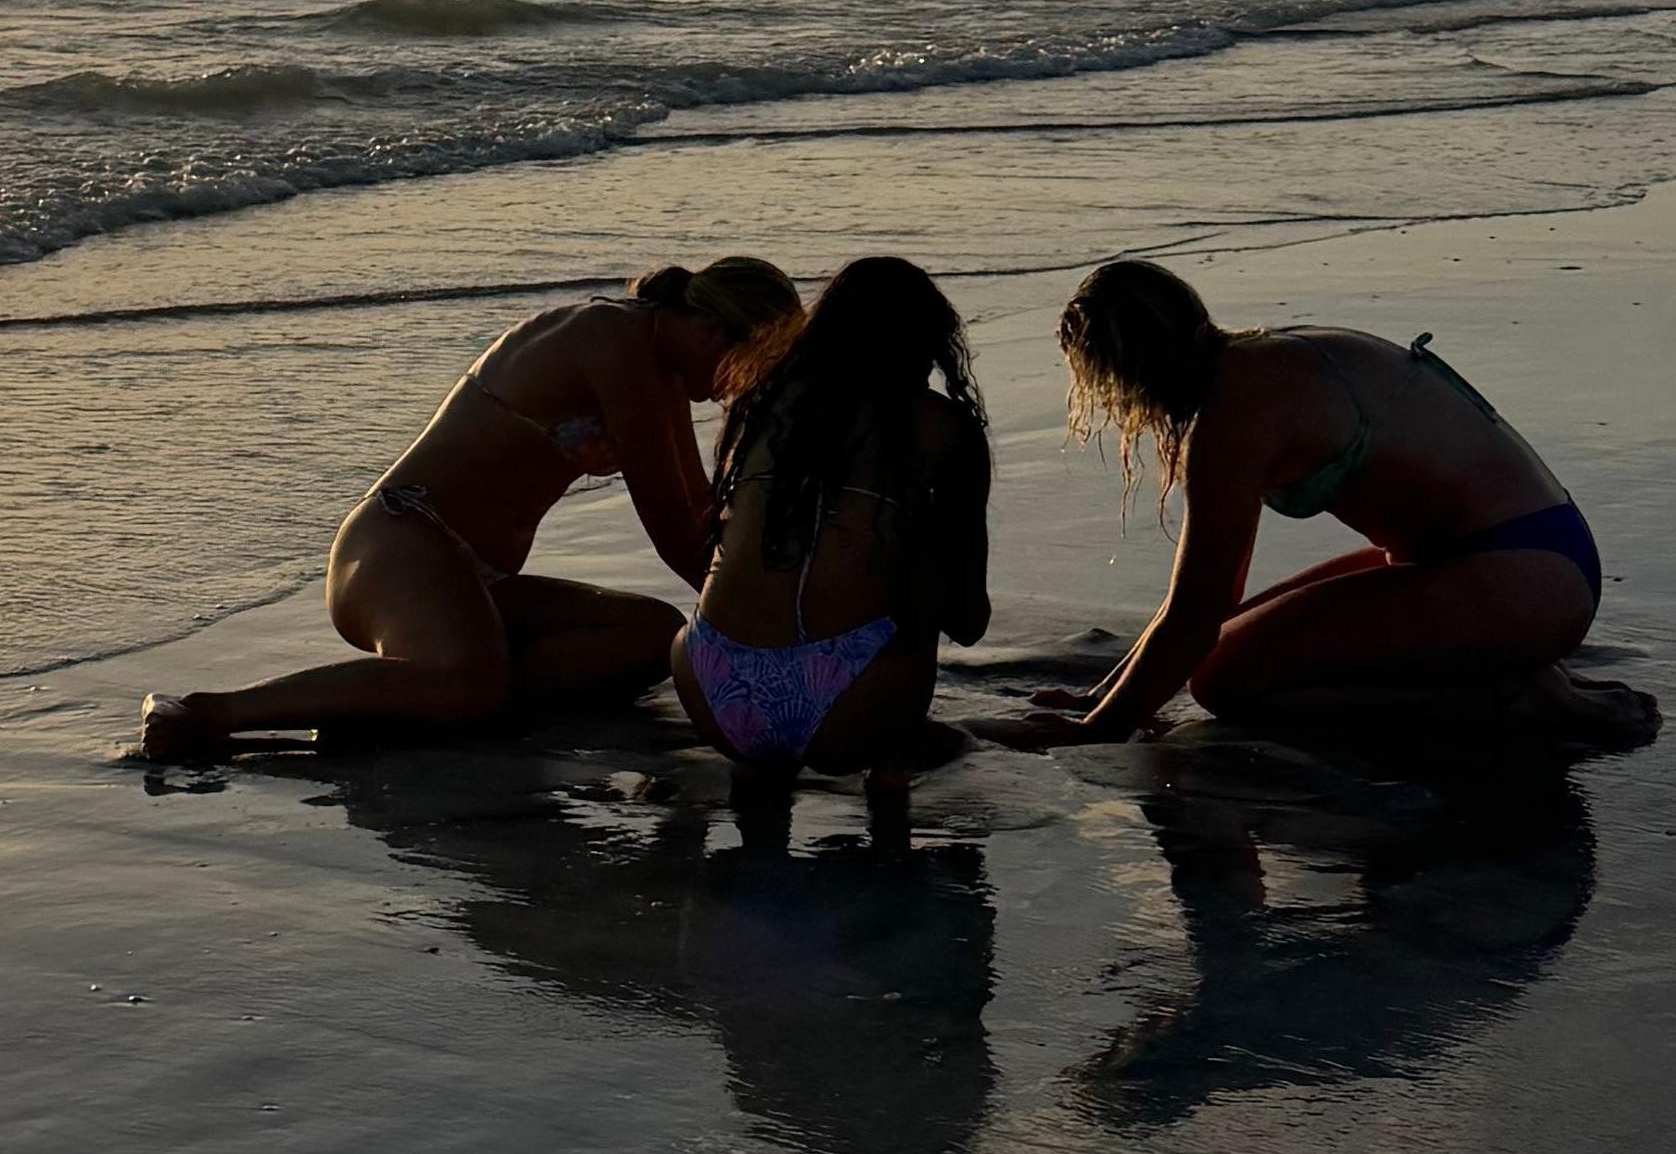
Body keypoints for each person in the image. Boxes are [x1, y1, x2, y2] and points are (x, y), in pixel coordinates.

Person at [138, 255, 800, 761]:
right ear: (714, 332)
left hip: (476, 580)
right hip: (400, 543)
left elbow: (698, 511)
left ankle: (394, 701)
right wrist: (777, 649)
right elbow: (676, 536)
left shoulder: (653, 360)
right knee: (470, 687)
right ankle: (203, 711)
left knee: (654, 636)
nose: (733, 394)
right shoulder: (620, 344)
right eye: (748, 368)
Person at [1027, 256, 1603, 735]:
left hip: (1515, 582)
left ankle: (1508, 700)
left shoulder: (1235, 416)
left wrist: (1100, 730)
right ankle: (1504, 668)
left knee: (1221, 681)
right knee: (1223, 643)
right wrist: (1100, 697)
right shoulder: (1268, 354)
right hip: (1542, 558)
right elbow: (1206, 606)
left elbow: (1194, 615)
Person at [667, 251, 991, 796]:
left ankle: (758, 760)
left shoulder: (758, 401)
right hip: (851, 708)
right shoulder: (943, 427)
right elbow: (968, 618)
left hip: (709, 684)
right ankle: (887, 770)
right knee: (926, 555)